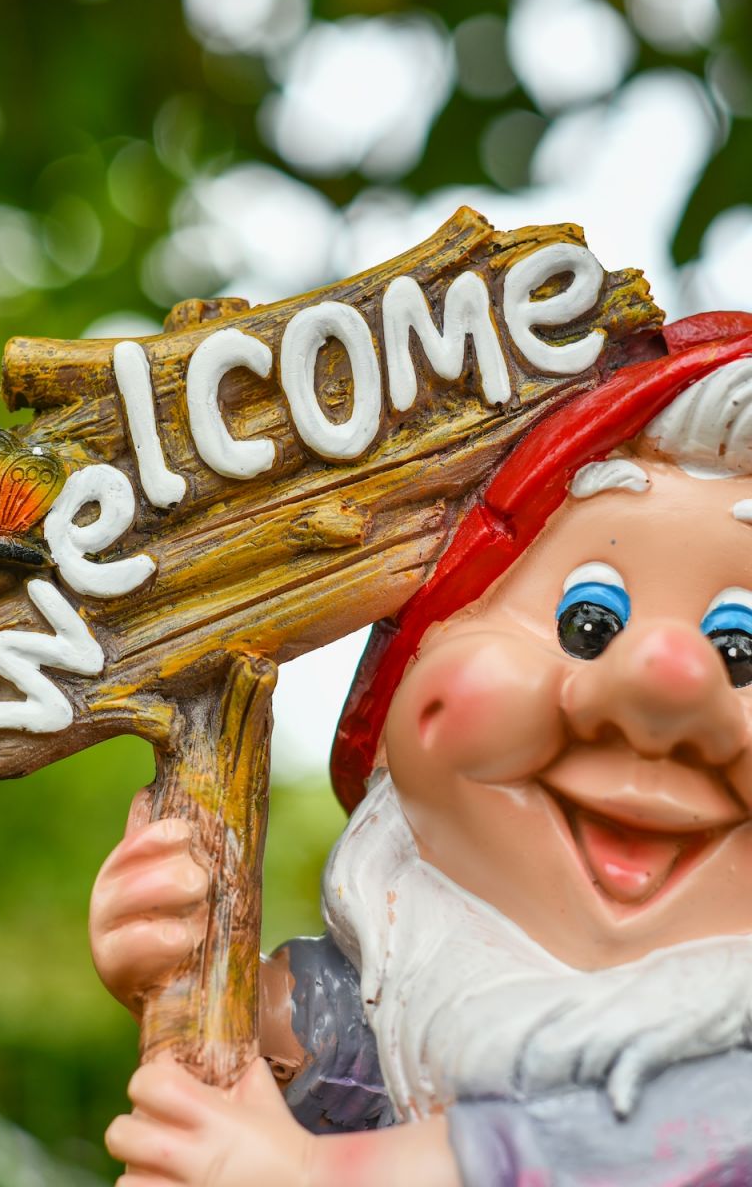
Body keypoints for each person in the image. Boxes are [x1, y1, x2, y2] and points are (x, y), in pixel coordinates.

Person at [92, 311, 752, 1186]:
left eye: (739, 651)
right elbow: (351, 1055)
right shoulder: (435, 997)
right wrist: (201, 975)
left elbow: (608, 1150)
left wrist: (311, 1177)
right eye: (586, 624)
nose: (667, 682)